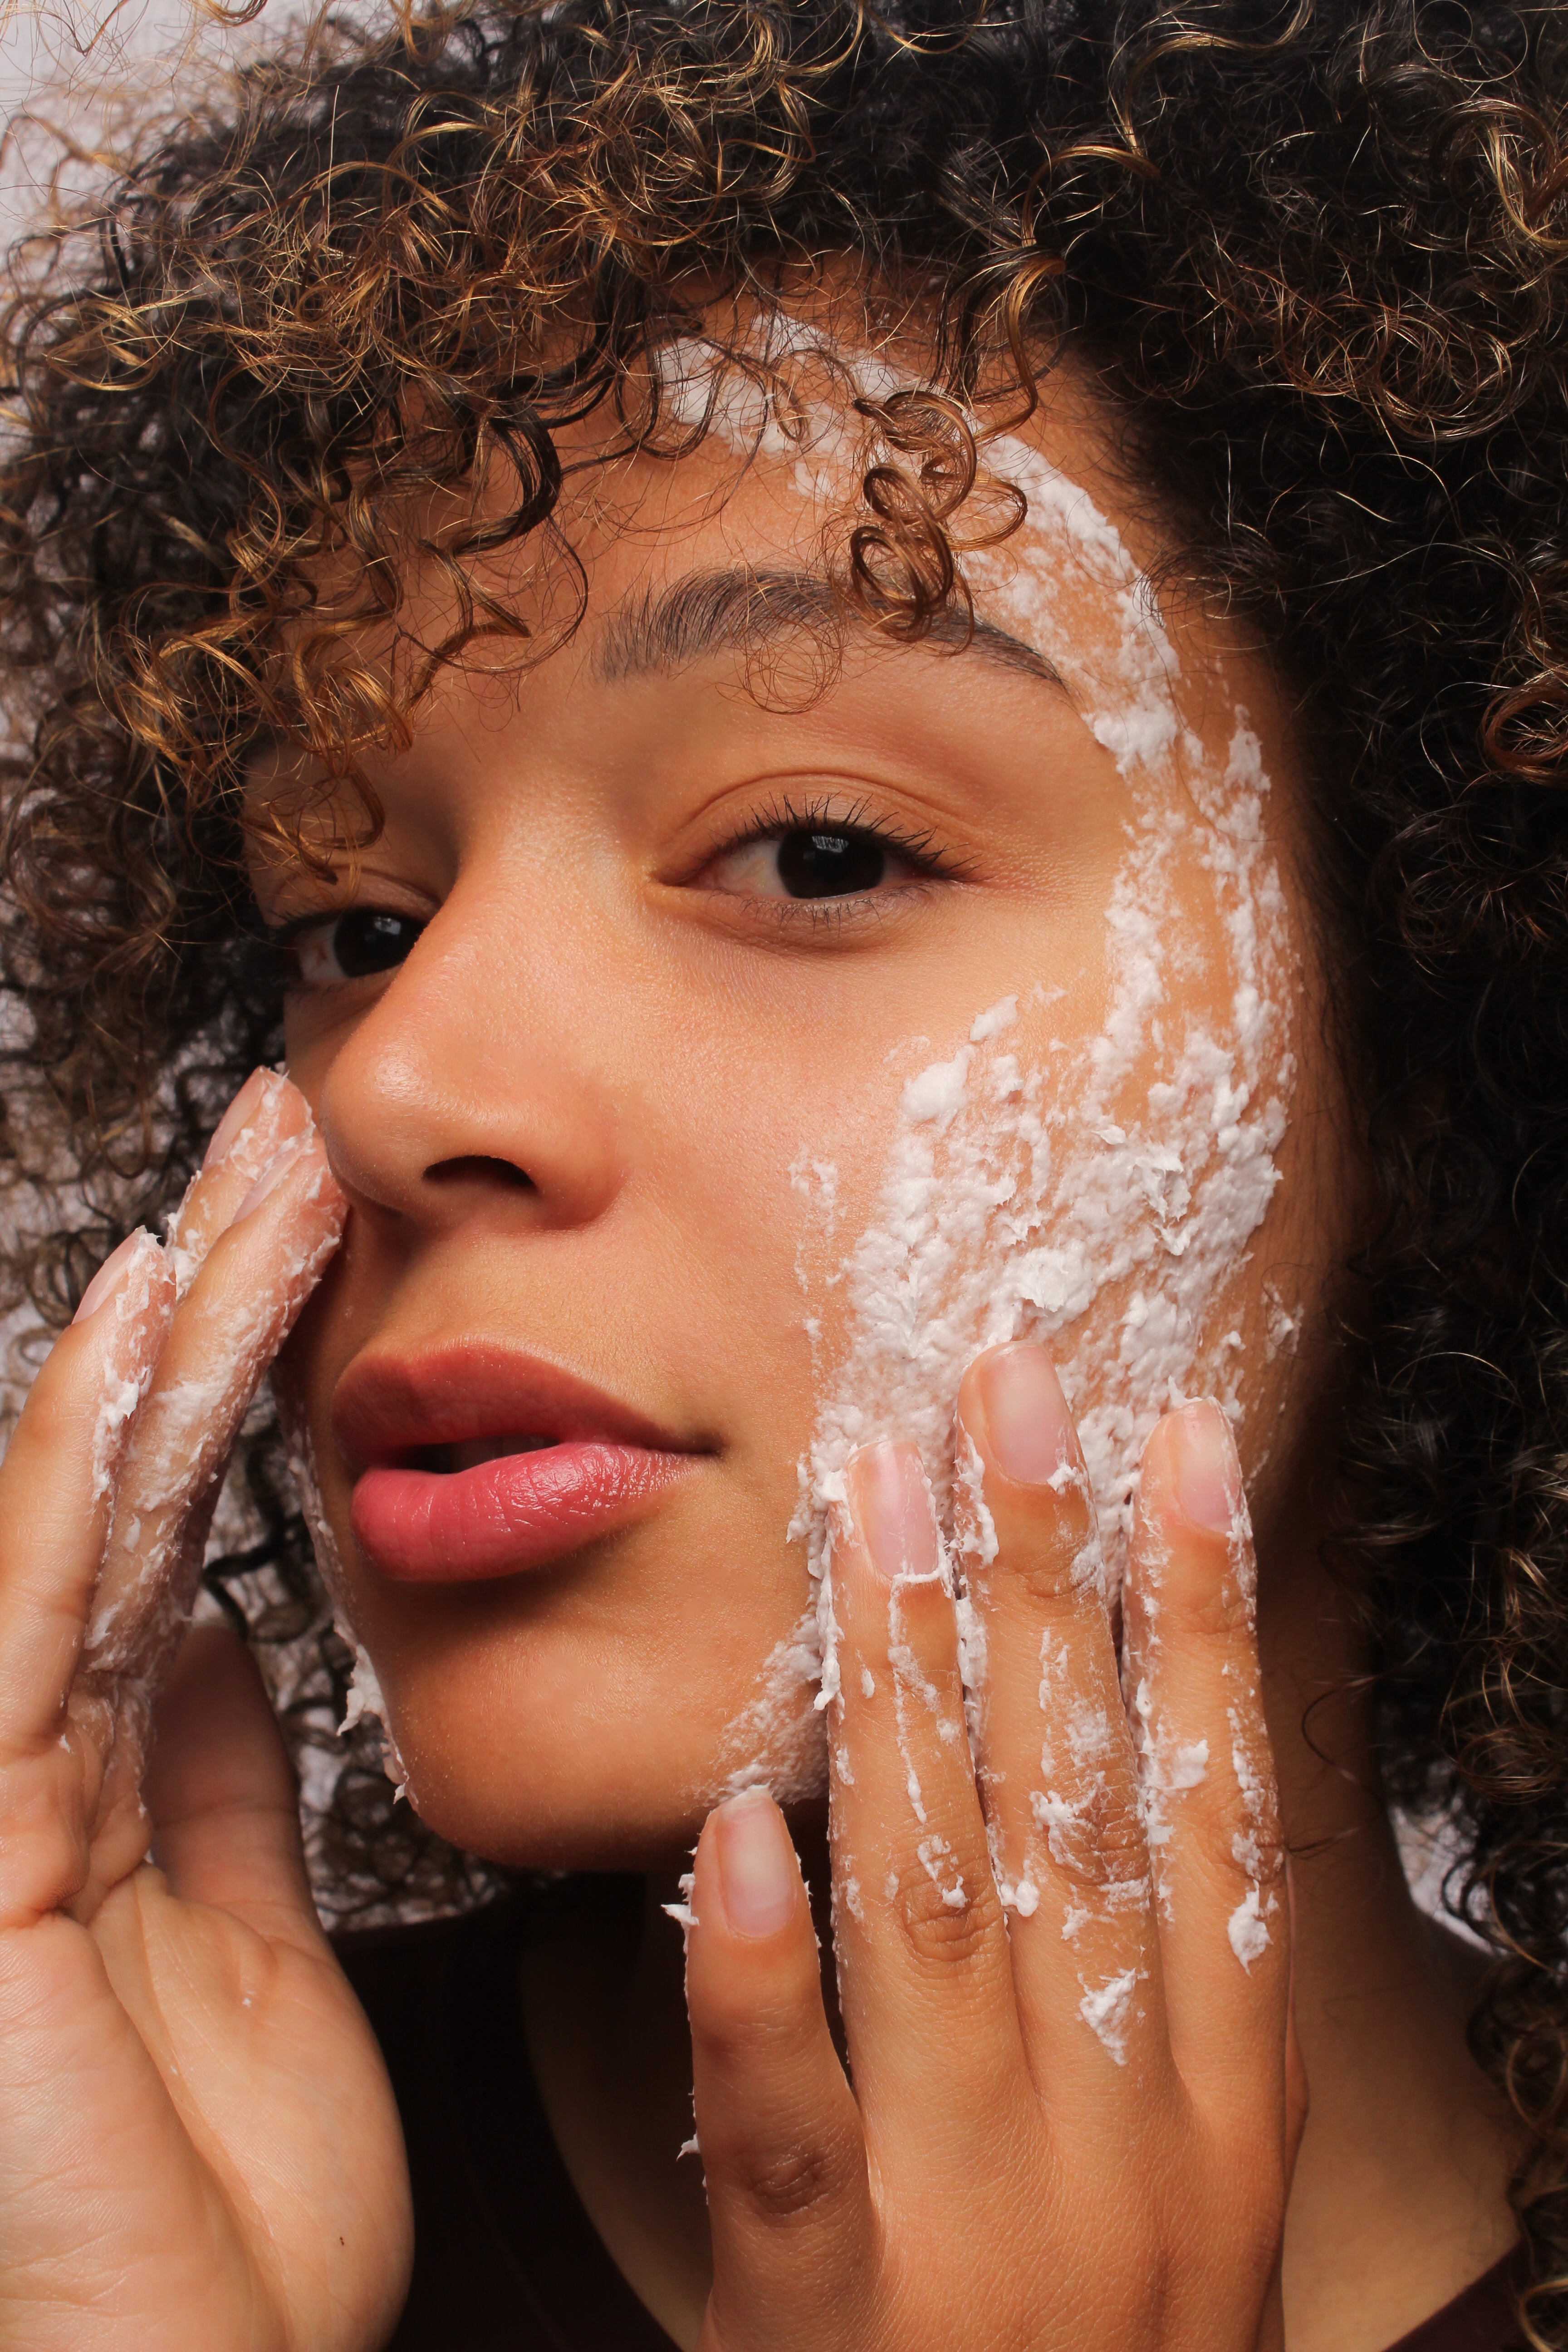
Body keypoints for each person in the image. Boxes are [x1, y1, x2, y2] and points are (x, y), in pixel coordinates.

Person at [0, 0, 1561, 2345]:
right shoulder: (99, 2209)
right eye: (350, 927)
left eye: (818, 850)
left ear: (1455, 1025)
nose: (405, 1081)